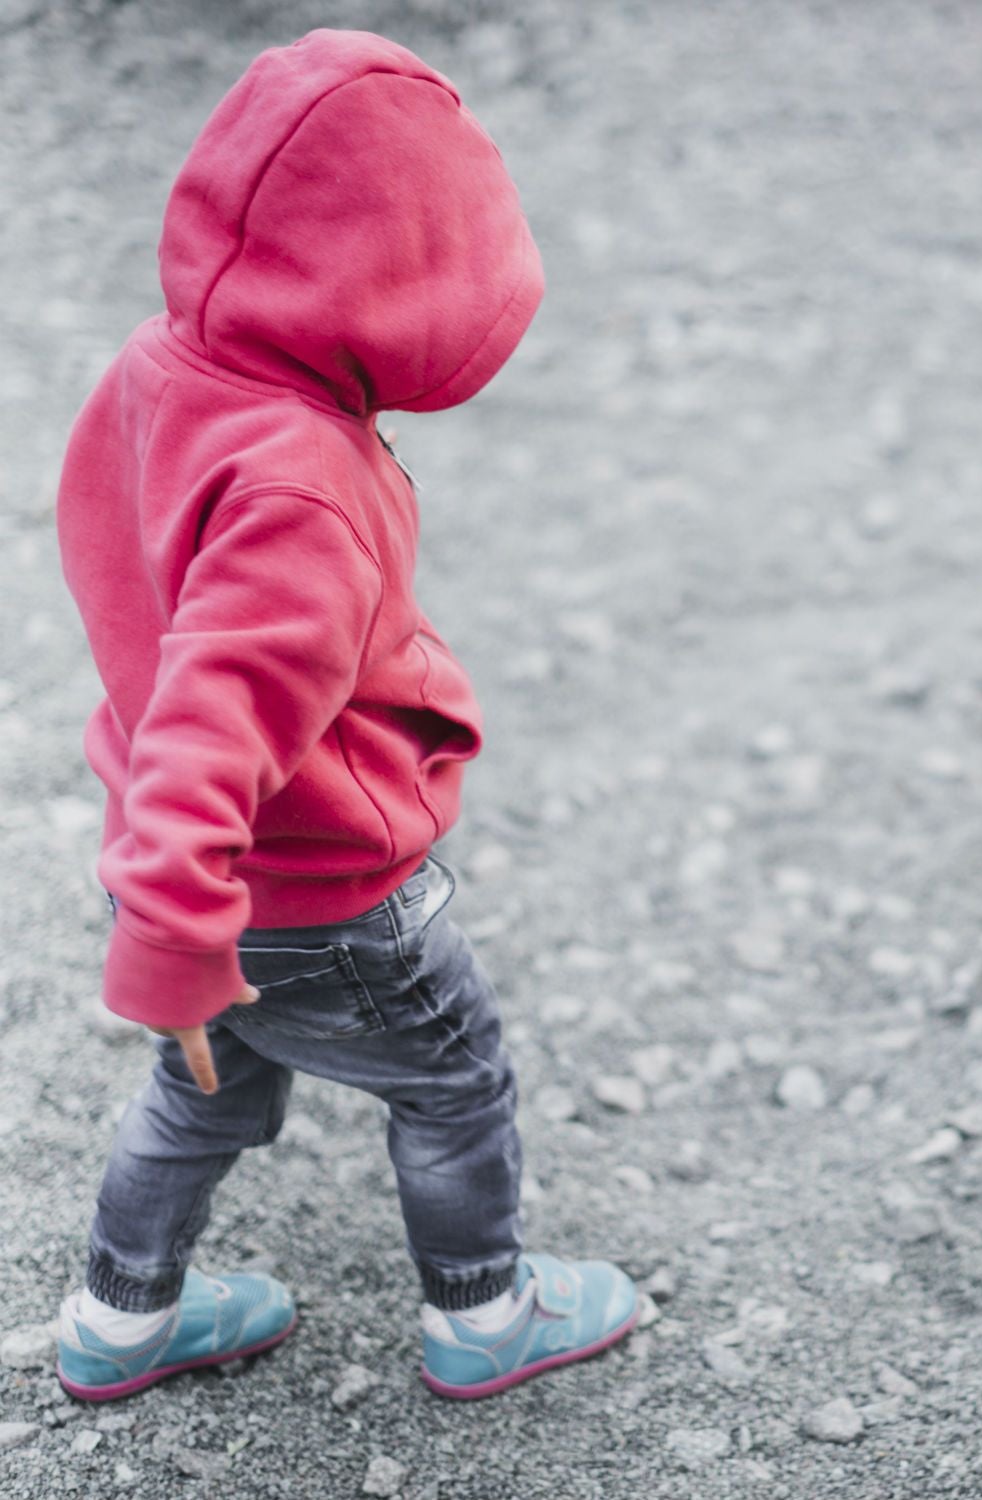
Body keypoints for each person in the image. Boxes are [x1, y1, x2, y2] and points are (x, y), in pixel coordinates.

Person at [50, 28, 637, 1403]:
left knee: (203, 1095)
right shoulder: (303, 488)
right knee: (454, 1085)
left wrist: (171, 920)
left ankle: (120, 1320)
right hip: (318, 894)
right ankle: (486, 1317)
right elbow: (217, 710)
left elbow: (157, 623)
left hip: (177, 864)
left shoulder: (165, 366)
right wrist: (179, 940)